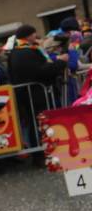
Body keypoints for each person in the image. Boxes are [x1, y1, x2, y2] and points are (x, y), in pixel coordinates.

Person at [8, 23, 67, 155]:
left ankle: (46, 149)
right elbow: (39, 71)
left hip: (34, 93)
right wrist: (60, 63)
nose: (36, 36)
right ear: (29, 35)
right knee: (37, 123)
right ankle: (40, 153)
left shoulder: (22, 50)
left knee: (38, 122)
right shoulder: (23, 52)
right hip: (34, 94)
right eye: (34, 33)